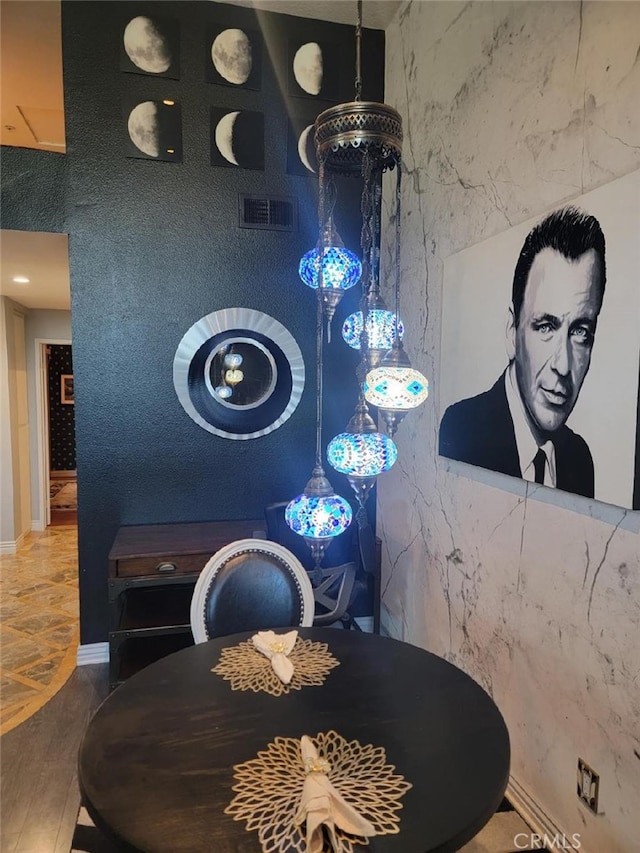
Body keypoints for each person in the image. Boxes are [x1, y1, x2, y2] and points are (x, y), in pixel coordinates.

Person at [439, 206, 606, 499]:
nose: (564, 366)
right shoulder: (462, 428)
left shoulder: (579, 458)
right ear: (511, 331)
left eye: (580, 332)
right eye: (545, 326)